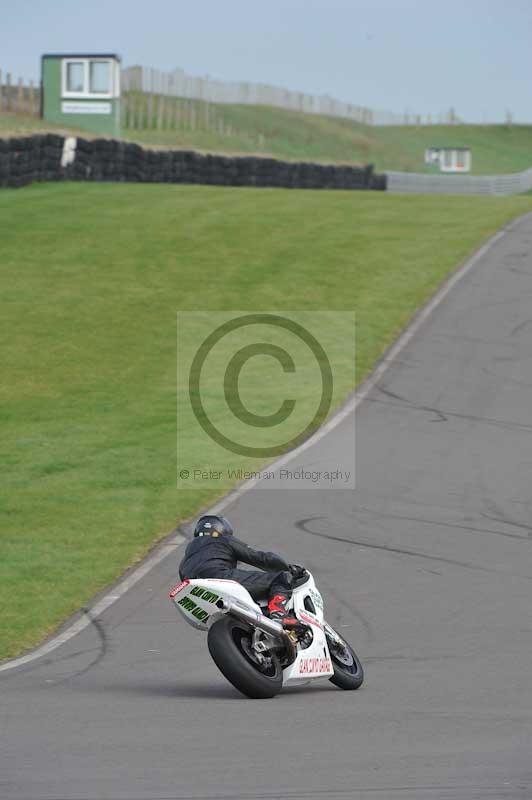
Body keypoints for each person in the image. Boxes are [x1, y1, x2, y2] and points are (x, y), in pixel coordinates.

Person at [179, 514, 304, 629]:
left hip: (194, 592)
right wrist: (288, 568)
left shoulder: (188, 554)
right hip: (220, 577)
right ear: (222, 529)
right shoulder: (224, 540)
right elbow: (260, 558)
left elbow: (182, 574)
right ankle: (279, 613)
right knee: (280, 578)